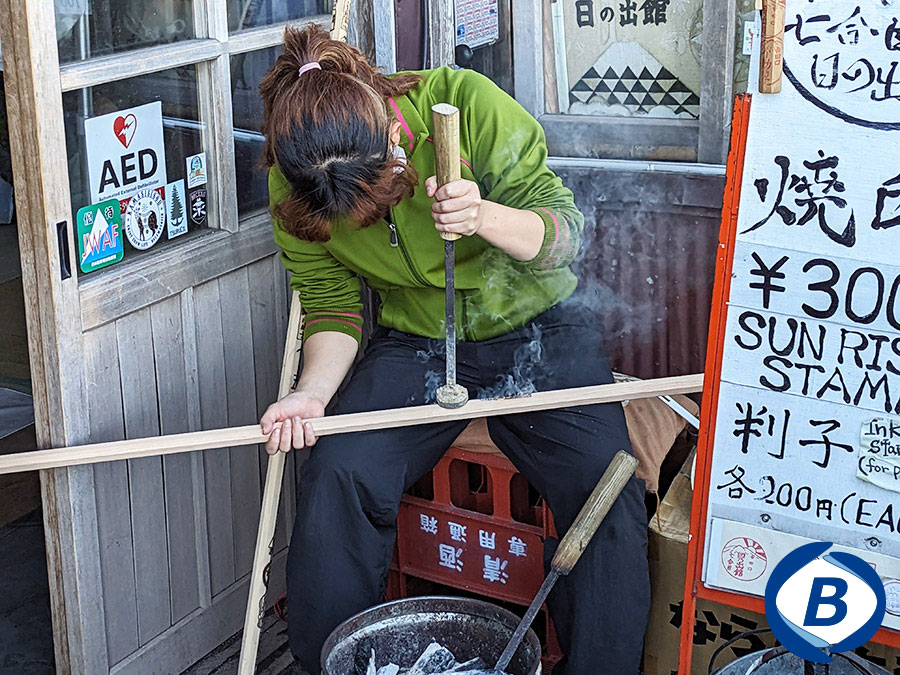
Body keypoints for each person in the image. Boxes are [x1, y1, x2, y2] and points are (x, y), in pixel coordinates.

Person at [258, 24, 649, 675]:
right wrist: (310, 394)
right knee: (338, 469)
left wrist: (485, 216)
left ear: (390, 133)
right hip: (417, 340)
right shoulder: (295, 182)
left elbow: (565, 233)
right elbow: (332, 304)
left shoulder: (464, 103)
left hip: (540, 329)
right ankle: (336, 662)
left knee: (605, 490)